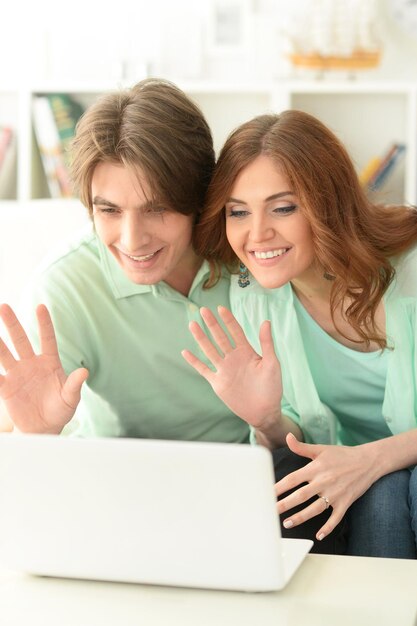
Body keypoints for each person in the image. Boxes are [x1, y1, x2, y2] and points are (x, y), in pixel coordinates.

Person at [182, 109, 417, 558]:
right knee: (376, 498)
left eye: (283, 207)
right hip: (354, 483)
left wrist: (373, 460)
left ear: (329, 202)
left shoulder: (411, 268)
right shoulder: (254, 295)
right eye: (238, 212)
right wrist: (266, 418)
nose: (257, 234)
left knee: (392, 491)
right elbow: (302, 439)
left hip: (389, 477)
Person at [0, 78, 249, 445]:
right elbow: (24, 446)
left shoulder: (250, 256)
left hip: (249, 473)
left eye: (157, 208)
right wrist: (33, 433)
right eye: (110, 211)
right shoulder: (64, 285)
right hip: (113, 479)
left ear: (198, 197)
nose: (132, 240)